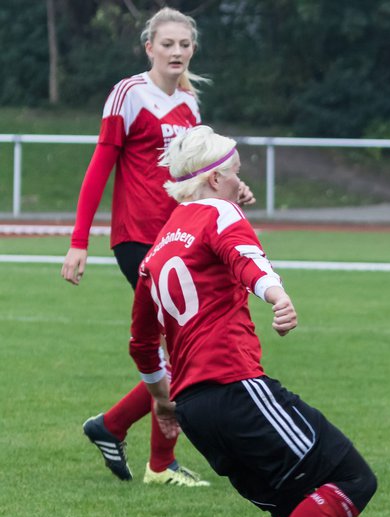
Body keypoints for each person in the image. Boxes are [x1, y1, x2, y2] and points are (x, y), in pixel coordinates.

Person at [128, 126, 377, 517]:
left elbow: (143, 345)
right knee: (353, 479)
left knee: (293, 507)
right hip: (236, 386)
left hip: (195, 409)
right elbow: (245, 257)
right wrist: (277, 294)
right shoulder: (219, 215)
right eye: (236, 170)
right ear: (216, 175)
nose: (242, 180)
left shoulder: (158, 249)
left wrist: (160, 398)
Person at [62, 7, 253, 487]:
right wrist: (79, 241)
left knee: (180, 346)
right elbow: (99, 167)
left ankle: (113, 428)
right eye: (167, 44)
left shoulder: (190, 103)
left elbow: (197, 173)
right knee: (176, 347)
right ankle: (158, 462)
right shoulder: (128, 94)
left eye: (184, 45)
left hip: (181, 235)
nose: (176, 52)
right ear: (149, 47)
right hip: (138, 239)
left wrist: (233, 187)